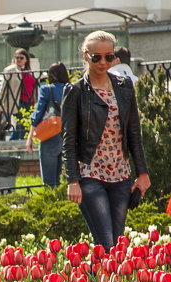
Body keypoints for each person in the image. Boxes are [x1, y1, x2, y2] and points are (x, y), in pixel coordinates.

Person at [64, 30, 150, 251]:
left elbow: (134, 133)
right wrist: (73, 180)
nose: (103, 62)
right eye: (96, 57)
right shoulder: (75, 92)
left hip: (120, 175)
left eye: (109, 56)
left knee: (116, 247)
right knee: (106, 243)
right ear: (86, 56)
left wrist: (142, 174)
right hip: (90, 174)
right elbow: (69, 141)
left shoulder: (124, 87)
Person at [26, 62, 70, 188]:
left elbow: (38, 113)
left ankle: (51, 201)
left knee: (49, 180)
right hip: (67, 134)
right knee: (63, 177)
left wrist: (30, 138)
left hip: (50, 134)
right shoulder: (71, 89)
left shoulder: (47, 89)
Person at [3, 49, 38, 141]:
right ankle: (16, 143)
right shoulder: (11, 70)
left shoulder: (28, 71)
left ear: (26, 59)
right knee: (21, 124)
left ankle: (13, 143)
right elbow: (3, 88)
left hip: (30, 102)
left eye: (21, 58)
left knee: (24, 125)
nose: (18, 60)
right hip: (19, 101)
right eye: (16, 57)